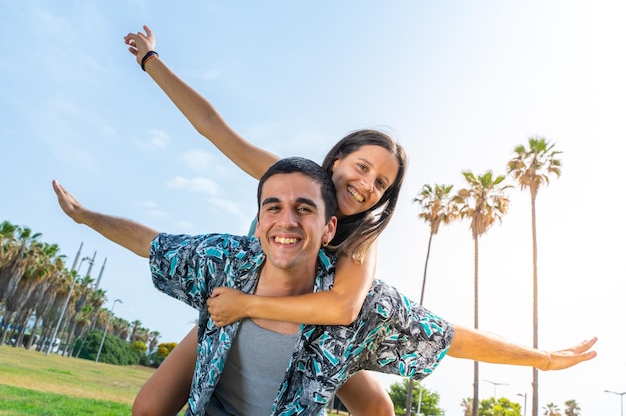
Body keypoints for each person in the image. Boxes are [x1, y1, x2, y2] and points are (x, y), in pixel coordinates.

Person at [53, 158, 597, 416]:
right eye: (273, 207)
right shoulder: (227, 262)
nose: (286, 221)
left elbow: (449, 336)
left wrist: (542, 360)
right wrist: (85, 218)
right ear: (258, 216)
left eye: (305, 210)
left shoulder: (358, 304)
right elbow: (152, 242)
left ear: (331, 224)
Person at [124, 25, 406, 416]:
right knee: (149, 407)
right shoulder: (291, 180)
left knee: (377, 404)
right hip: (235, 311)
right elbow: (214, 128)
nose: (365, 185)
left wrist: (248, 305)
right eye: (361, 166)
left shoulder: (360, 242)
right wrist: (150, 61)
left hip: (304, 334)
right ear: (338, 157)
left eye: (380, 184)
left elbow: (342, 308)